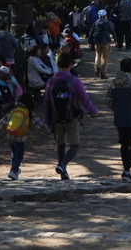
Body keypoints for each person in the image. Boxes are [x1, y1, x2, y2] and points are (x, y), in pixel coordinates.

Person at [42, 52, 98, 180]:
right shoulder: (74, 80)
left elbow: (46, 102)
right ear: (70, 65)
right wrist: (93, 111)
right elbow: (85, 99)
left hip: (56, 119)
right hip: (72, 117)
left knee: (60, 145)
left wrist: (47, 120)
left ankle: (63, 172)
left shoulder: (51, 81)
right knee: (74, 145)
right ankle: (62, 165)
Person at [0, 94, 46, 180]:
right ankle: (13, 170)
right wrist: (50, 129)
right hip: (20, 137)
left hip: (10, 135)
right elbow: (39, 123)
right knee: (19, 155)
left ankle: (15, 171)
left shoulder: (14, 109)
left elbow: (3, 121)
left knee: (14, 153)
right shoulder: (28, 111)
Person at [107, 57, 131, 182]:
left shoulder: (113, 83)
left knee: (124, 143)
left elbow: (108, 100)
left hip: (120, 117)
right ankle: (126, 170)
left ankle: (125, 169)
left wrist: (117, 109)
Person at [89, 10, 115, 78]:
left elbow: (91, 33)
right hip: (106, 42)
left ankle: (97, 69)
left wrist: (89, 42)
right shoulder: (108, 23)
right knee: (105, 57)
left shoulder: (95, 23)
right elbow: (112, 31)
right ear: (105, 16)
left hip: (97, 42)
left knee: (98, 55)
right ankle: (103, 73)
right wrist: (115, 40)